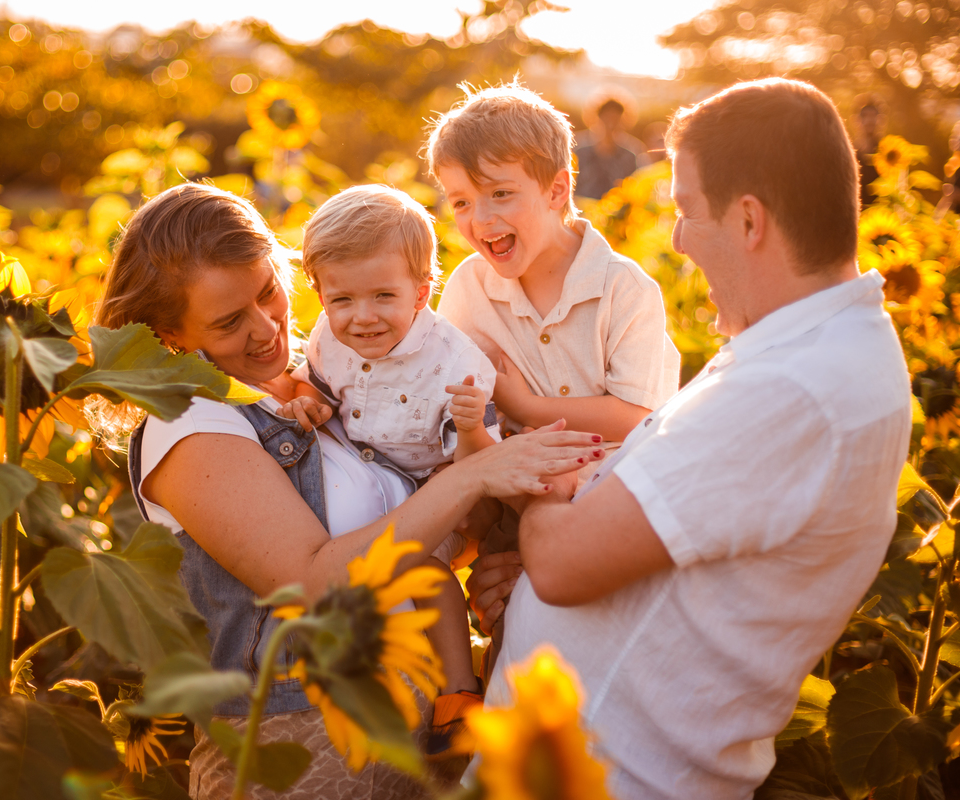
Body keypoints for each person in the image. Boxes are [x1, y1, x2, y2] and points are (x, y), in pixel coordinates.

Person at [465, 78, 912, 799]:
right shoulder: (808, 348)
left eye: (686, 212)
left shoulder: (795, 389)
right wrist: (538, 568)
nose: (676, 239)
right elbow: (683, 541)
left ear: (749, 220)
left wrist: (549, 484)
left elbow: (565, 566)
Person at [95, 183, 605, 799]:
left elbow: (418, 540)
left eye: (267, 292)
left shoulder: (327, 380)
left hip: (424, 736)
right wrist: (472, 476)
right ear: (170, 335)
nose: (265, 328)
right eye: (229, 322)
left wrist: (498, 555)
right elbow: (312, 583)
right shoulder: (190, 425)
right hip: (302, 753)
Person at [425, 80, 680, 683]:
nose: (480, 219)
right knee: (515, 682)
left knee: (608, 685)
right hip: (512, 525)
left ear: (557, 190)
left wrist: (524, 403)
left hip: (615, 526)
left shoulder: (623, 288)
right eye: (460, 202)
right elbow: (460, 417)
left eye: (500, 194)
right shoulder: (468, 289)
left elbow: (639, 417)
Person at [281, 184, 499, 758]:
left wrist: (471, 426)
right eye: (342, 299)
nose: (363, 317)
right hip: (368, 474)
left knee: (422, 566)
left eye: (383, 296)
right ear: (320, 294)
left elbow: (478, 470)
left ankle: (459, 693)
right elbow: (316, 385)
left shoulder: (456, 364)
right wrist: (308, 401)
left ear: (421, 291)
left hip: (439, 488)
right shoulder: (328, 338)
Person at [572, 91, 645, 200]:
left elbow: (634, 188)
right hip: (582, 207)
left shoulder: (630, 155)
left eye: (615, 119)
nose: (611, 124)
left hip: (616, 208)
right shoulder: (580, 151)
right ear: (597, 118)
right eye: (607, 118)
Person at [853, 98, 883, 208]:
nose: (869, 120)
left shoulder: (887, 153)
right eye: (865, 116)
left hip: (882, 213)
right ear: (856, 120)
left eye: (873, 116)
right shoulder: (851, 153)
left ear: (881, 120)